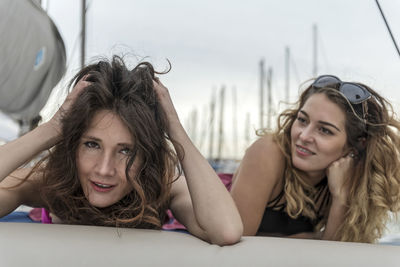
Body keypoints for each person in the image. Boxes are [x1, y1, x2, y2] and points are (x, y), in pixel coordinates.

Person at [0, 56, 243, 245]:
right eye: (92, 144)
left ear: (148, 156)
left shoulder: (163, 187)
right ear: (73, 144)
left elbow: (226, 231)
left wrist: (176, 130)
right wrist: (51, 129)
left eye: (126, 151)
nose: (105, 169)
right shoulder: (51, 182)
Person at [231, 75, 400, 243]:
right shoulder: (269, 152)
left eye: (325, 130)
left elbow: (330, 256)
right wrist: (309, 239)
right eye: (303, 120)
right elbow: (237, 246)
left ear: (356, 145)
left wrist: (340, 198)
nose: (304, 136)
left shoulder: (352, 180)